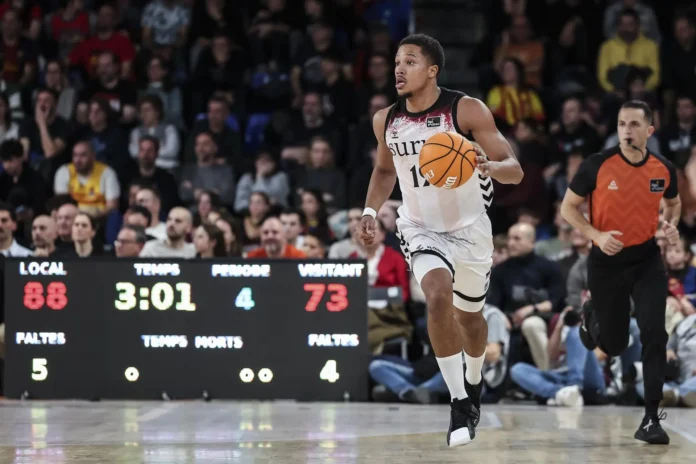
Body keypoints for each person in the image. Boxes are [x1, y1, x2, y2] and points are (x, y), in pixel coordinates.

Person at [357, 34, 523, 447]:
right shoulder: (386, 120)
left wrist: (489, 165)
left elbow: (514, 169)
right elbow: (384, 172)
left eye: (410, 61)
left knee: (470, 320)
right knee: (436, 296)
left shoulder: (465, 109)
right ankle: (458, 402)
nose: (399, 69)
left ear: (432, 70)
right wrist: (369, 212)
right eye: (397, 61)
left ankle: (474, 381)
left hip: (470, 230)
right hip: (420, 227)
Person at [560, 100, 681, 445]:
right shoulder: (597, 164)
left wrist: (670, 224)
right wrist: (596, 235)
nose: (626, 131)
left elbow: (673, 203)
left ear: (649, 130)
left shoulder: (663, 168)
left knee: (655, 334)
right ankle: (591, 316)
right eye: (621, 124)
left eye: (634, 124)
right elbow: (568, 208)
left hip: (646, 260)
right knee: (614, 345)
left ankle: (651, 419)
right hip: (606, 261)